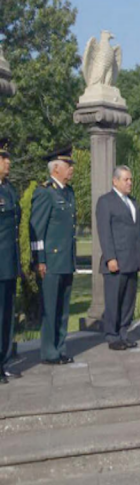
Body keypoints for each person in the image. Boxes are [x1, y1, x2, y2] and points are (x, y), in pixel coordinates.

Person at [30, 147, 77, 365]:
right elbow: (37, 230)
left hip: (66, 259)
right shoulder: (45, 192)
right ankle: (49, 352)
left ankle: (60, 348)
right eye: (68, 166)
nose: (72, 169)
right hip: (51, 260)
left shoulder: (69, 192)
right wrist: (39, 259)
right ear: (56, 168)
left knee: (63, 308)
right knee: (51, 308)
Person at [96, 166, 140, 351]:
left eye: (130, 179)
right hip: (116, 261)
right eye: (126, 179)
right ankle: (112, 335)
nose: (130, 182)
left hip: (132, 260)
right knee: (114, 300)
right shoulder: (106, 202)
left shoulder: (132, 202)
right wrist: (110, 257)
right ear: (115, 181)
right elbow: (105, 232)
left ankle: (124, 333)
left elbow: (137, 231)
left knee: (128, 301)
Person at [0, 140, 22, 382]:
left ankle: (3, 361)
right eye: (4, 158)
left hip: (8, 264)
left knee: (7, 316)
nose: (8, 162)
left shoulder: (9, 190)